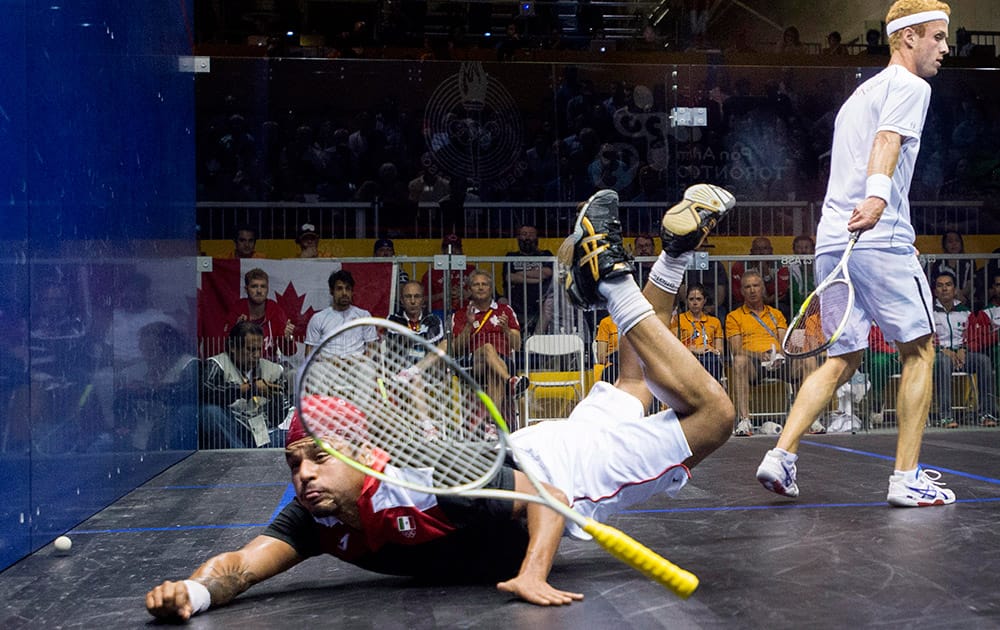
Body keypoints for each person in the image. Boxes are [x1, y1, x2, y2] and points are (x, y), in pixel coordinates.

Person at [143, 185, 735, 620]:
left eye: (317, 457)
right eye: (294, 461)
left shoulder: (418, 484)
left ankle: (612, 281)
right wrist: (191, 592)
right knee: (635, 383)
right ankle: (674, 254)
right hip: (533, 449)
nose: (303, 473)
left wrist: (531, 573)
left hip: (569, 474)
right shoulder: (315, 513)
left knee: (716, 417)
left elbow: (549, 497)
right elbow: (241, 565)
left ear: (361, 453)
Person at [756, 1, 957, 507]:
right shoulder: (911, 86)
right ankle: (906, 478)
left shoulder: (857, 96)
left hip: (832, 240)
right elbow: (887, 141)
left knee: (843, 356)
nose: (945, 48)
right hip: (879, 234)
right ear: (907, 38)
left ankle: (780, 456)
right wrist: (877, 197)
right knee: (921, 348)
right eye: (937, 37)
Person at [726, 269, 814, 436]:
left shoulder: (776, 314)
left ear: (763, 288)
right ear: (741, 291)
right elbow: (736, 349)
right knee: (739, 361)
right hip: (754, 363)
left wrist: (782, 354)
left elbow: (783, 343)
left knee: (808, 360)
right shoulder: (734, 316)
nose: (752, 290)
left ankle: (807, 419)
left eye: (756, 286)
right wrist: (760, 356)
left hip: (779, 360)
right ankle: (745, 420)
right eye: (748, 287)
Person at [200, 321, 290, 449]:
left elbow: (278, 418)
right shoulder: (217, 364)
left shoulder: (274, 370)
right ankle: (240, 457)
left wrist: (276, 399)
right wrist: (248, 389)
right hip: (233, 431)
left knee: (302, 439)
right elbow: (206, 391)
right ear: (232, 347)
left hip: (263, 434)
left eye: (259, 349)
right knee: (210, 412)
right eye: (251, 350)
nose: (257, 355)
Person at [450, 269, 527, 414]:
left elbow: (517, 345)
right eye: (476, 284)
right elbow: (458, 349)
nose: (480, 287)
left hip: (502, 361)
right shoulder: (461, 313)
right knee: (487, 348)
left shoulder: (505, 310)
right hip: (474, 364)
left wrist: (506, 330)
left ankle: (491, 425)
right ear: (469, 289)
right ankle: (511, 381)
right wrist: (468, 324)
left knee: (494, 373)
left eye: (484, 284)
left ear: (491, 288)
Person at [930, 272, 997, 427]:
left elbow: (973, 336)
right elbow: (925, 339)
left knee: (983, 361)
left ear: (955, 290)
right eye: (940, 286)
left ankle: (986, 414)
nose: (944, 289)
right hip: (939, 355)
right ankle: (946, 416)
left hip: (962, 354)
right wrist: (942, 350)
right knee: (943, 362)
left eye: (948, 285)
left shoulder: (965, 311)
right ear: (935, 291)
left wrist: (964, 349)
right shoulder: (929, 313)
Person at [225, 268, 296, 362]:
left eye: (263, 286)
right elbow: (224, 347)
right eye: (254, 286)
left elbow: (289, 352)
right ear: (246, 289)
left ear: (267, 289)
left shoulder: (275, 310)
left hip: (269, 367)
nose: (259, 291)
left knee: (292, 373)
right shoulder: (237, 309)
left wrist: (288, 339)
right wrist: (236, 331)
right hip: (242, 366)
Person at [304, 270, 377, 359]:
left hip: (357, 366)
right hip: (327, 366)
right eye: (339, 288)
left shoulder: (364, 316)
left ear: (352, 291)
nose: (344, 293)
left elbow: (372, 348)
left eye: (348, 288)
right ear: (331, 291)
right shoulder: (318, 318)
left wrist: (362, 363)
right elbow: (309, 353)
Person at [503, 224, 554, 335]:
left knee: (550, 303)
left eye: (531, 234)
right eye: (524, 234)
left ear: (537, 238)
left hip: (541, 299)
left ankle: (536, 339)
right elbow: (509, 277)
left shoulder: (546, 254)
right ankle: (513, 341)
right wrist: (536, 279)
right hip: (516, 300)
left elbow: (547, 273)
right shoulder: (511, 256)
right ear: (518, 237)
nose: (527, 237)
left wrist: (521, 274)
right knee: (502, 303)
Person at [671, 284, 724, 382]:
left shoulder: (715, 321)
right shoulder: (678, 319)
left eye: (699, 299)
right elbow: (673, 346)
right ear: (686, 301)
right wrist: (694, 349)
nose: (695, 303)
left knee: (712, 359)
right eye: (691, 299)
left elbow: (720, 349)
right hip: (687, 358)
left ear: (705, 301)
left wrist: (711, 349)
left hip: (709, 359)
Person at [420, 233, 475, 322]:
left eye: (456, 248)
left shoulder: (471, 270)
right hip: (439, 311)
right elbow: (422, 299)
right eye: (448, 248)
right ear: (443, 250)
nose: (452, 251)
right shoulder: (432, 273)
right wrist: (442, 295)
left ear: (461, 250)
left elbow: (487, 294)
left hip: (466, 309)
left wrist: (467, 294)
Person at [386, 281, 444, 362]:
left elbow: (436, 347)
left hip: (428, 370)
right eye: (408, 296)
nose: (412, 301)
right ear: (402, 300)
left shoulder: (434, 320)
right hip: (400, 369)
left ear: (423, 299)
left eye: (417, 296)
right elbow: (398, 346)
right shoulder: (392, 320)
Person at [729, 236, 790, 311]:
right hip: (746, 302)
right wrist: (757, 300)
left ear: (771, 250)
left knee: (784, 308)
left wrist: (767, 275)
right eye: (757, 249)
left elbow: (781, 290)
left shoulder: (781, 265)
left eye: (765, 248)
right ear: (751, 251)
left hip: (774, 301)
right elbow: (738, 293)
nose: (761, 252)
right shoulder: (740, 265)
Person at [929, 230, 974, 305]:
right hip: (942, 298)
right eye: (950, 241)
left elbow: (970, 283)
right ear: (944, 245)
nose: (954, 244)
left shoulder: (968, 262)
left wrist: (959, 295)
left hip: (963, 298)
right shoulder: (938, 263)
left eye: (957, 241)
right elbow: (936, 284)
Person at [787, 234, 816, 314]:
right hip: (798, 304)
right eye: (799, 248)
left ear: (813, 250)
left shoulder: (819, 265)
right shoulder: (790, 267)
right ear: (794, 250)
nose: (803, 251)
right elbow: (794, 292)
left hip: (817, 302)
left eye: (807, 247)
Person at [593, 314, 619, 383]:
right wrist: (620, 348)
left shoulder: (640, 321)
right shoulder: (606, 322)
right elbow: (601, 359)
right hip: (614, 366)